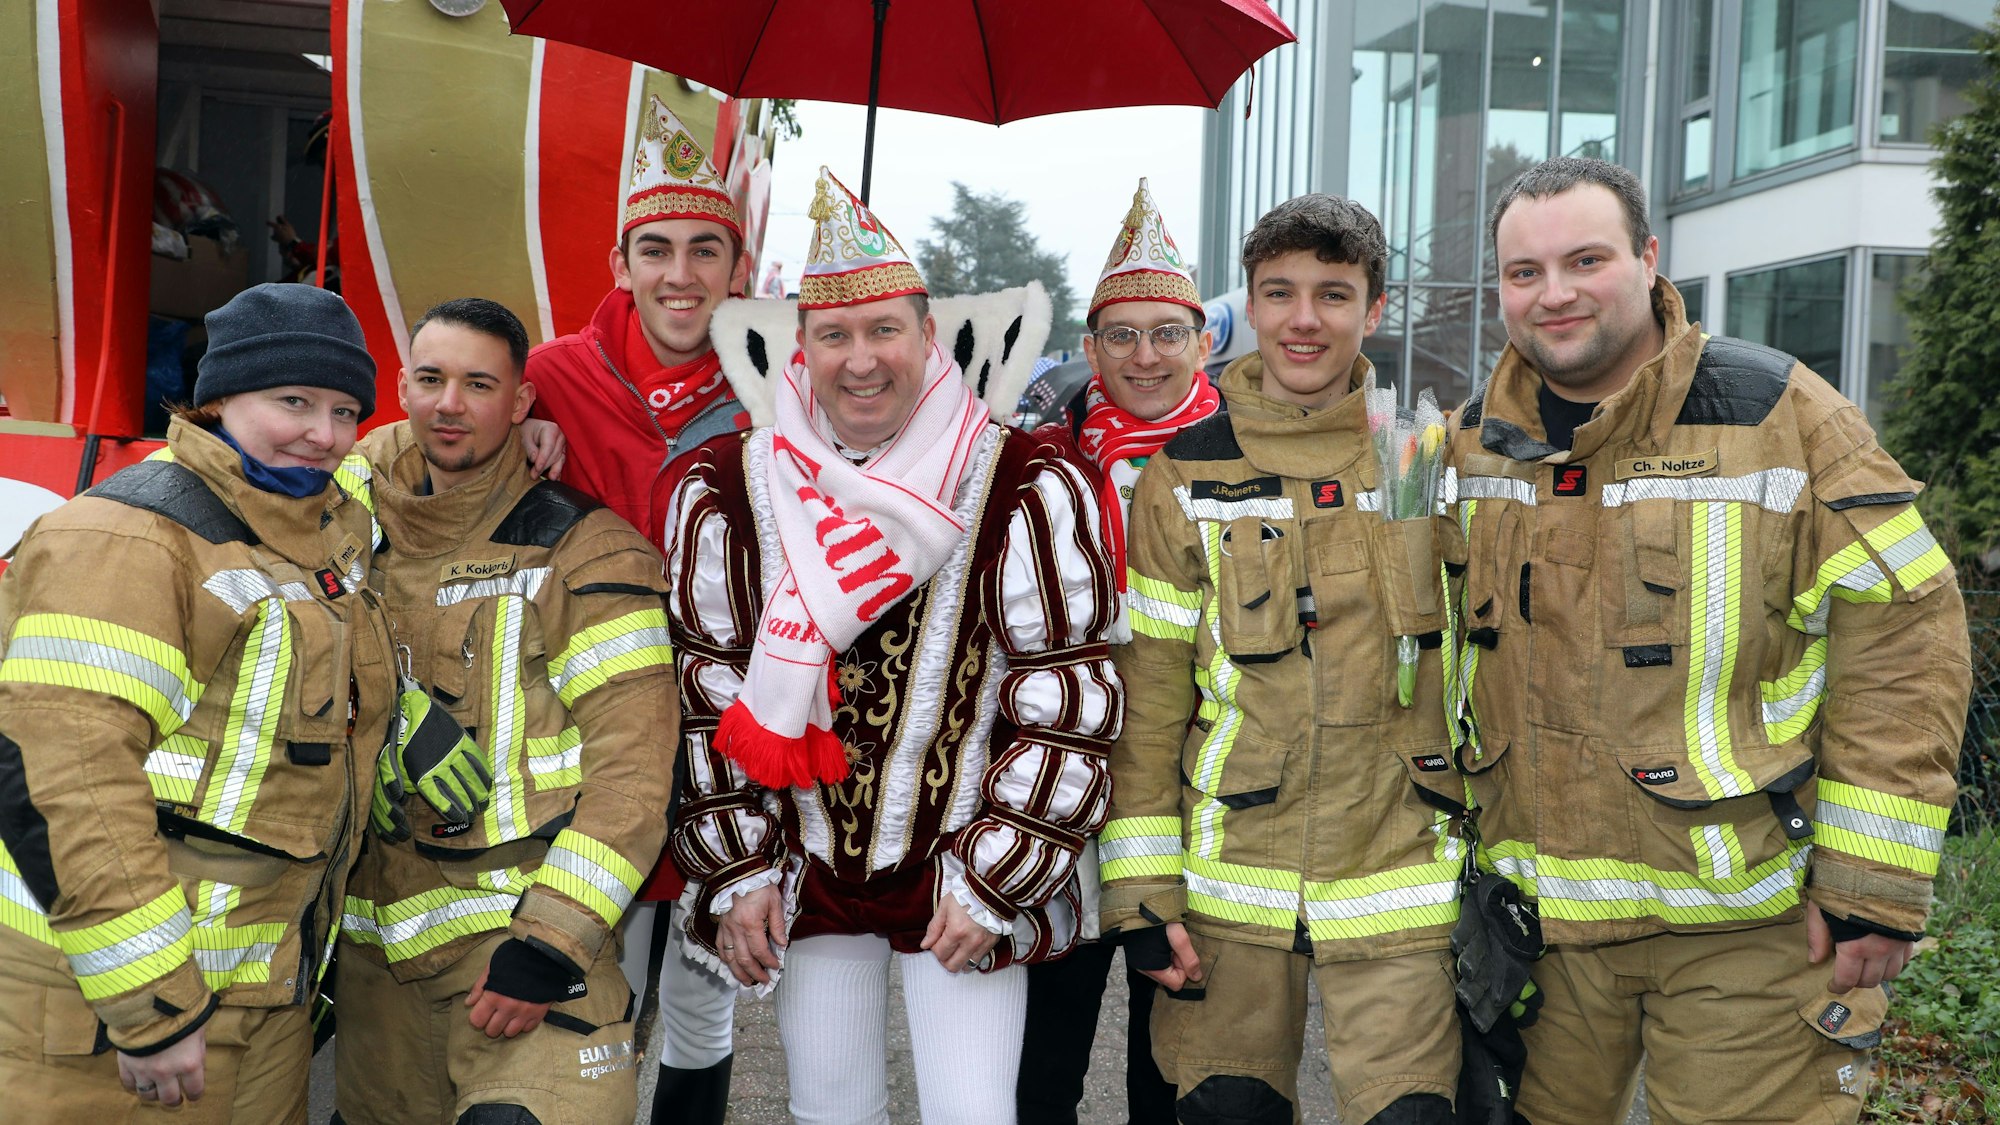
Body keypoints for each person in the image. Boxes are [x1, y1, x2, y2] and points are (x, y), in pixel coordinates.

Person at [1454, 156, 1971, 1124]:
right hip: (1536, 943)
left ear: (1647, 259)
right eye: (1523, 273)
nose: (1552, 294)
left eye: (1584, 259)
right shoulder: (1472, 446)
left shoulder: (1780, 414)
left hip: (1748, 937)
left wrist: (1869, 886)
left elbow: (1903, 636)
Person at [661, 167, 1122, 1124]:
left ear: (927, 338)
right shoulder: (731, 488)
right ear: (802, 348)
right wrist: (739, 869)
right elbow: (707, 695)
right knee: (829, 1110)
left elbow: (1067, 698)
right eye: (833, 335)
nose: (860, 360)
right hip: (808, 874)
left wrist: (999, 875)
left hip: (963, 868)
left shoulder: (1022, 480)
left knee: (973, 1114)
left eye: (884, 332)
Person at [1102, 194, 1468, 1125]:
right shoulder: (1185, 475)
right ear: (1251, 306)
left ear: (1374, 309)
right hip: (1235, 884)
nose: (1305, 319)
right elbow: (1150, 703)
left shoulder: (1430, 458)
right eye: (1280, 293)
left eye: (1334, 295)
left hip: (1404, 876)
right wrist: (1142, 892)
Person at [0, 283, 398, 1120]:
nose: (323, 434)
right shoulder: (126, 538)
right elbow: (67, 780)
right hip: (108, 1010)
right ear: (218, 398)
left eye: (345, 409)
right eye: (293, 400)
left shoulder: (314, 517)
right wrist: (152, 1005)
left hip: (257, 1005)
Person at [330, 297, 679, 1125]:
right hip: (375, 969)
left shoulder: (584, 548)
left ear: (522, 403)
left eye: (479, 383)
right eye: (431, 379)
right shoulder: (338, 524)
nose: (451, 403)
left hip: (521, 957)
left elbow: (635, 772)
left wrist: (548, 944)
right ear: (404, 390)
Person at [521, 95, 749, 1120]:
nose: (680, 275)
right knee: (583, 969)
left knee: (704, 986)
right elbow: (427, 455)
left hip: (721, 717)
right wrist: (513, 448)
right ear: (619, 265)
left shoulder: (777, 382)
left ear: (736, 270)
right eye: (655, 250)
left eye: (706, 250)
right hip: (578, 714)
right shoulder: (546, 377)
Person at [1018, 177, 1208, 1125]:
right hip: (1069, 779)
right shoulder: (1042, 462)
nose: (1145, 354)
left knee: (1164, 1060)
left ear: (1202, 341)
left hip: (1191, 785)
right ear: (1091, 349)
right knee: (1044, 1054)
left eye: (1166, 332)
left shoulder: (1236, 455)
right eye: (1122, 335)